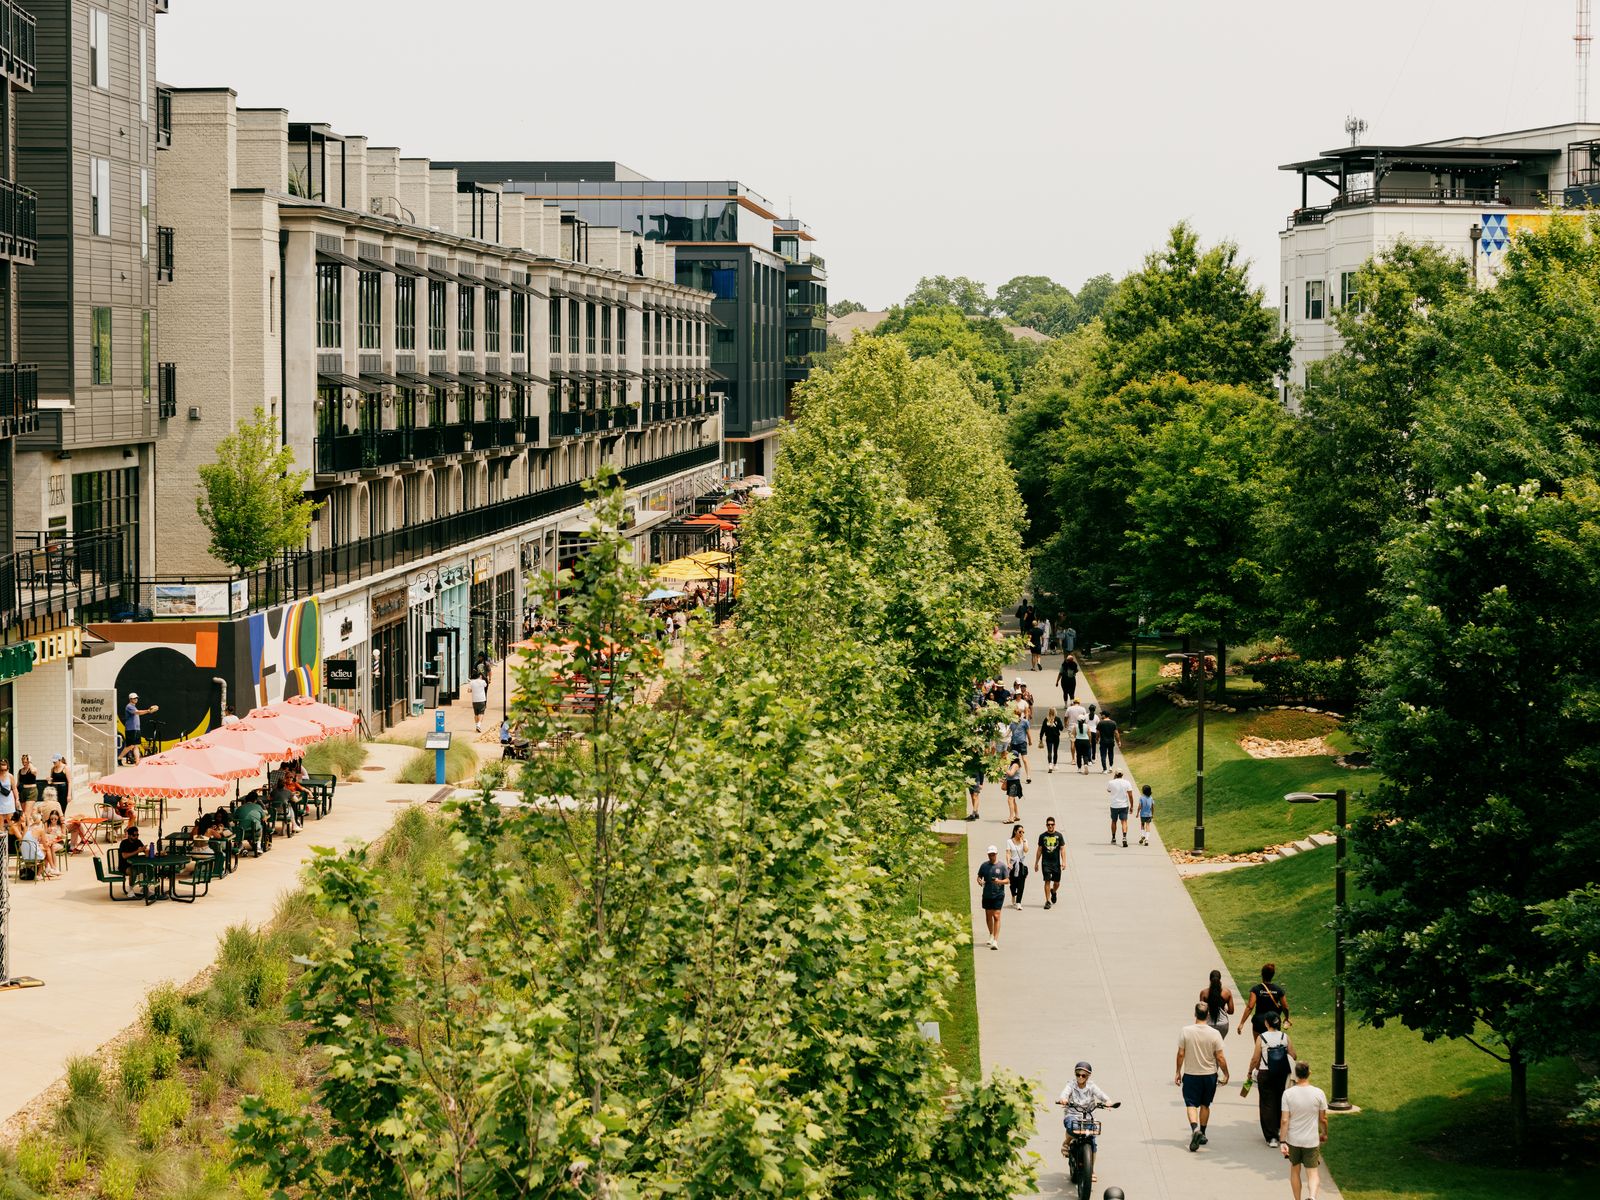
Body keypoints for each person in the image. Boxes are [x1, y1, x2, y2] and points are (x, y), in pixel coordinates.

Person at [1176, 1001, 1229, 1152]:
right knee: (1206, 1104)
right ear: (1208, 1015)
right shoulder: (1215, 1034)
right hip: (1209, 1075)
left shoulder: (1186, 1031)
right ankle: (1203, 1133)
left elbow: (1181, 1054)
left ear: (1195, 1014)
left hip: (1192, 1074)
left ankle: (1195, 1129)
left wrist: (1177, 1071)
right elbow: (1220, 1057)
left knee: (1191, 1104)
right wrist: (1226, 1073)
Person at [1246, 1011, 1296, 1147]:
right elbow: (1293, 1055)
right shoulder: (1285, 1037)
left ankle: (1271, 1137)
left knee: (1267, 1104)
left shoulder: (1261, 1038)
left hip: (1265, 1073)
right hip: (1281, 1074)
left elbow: (1255, 1058)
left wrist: (1250, 1072)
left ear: (1266, 1023)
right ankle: (1281, 1130)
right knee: (1281, 1100)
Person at [1280, 1060, 1329, 1199]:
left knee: (1295, 1170)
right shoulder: (1319, 1093)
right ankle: (1312, 1197)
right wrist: (1324, 1133)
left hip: (1293, 1140)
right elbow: (1323, 1119)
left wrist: (1283, 1141)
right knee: (1313, 1173)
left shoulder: (1288, 1094)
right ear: (1309, 1073)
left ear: (1295, 1074)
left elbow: (1284, 1120)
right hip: (1311, 1140)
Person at [1057, 1061, 1117, 1162]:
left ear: (1088, 1076)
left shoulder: (1091, 1086)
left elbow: (1100, 1094)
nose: (1080, 1077)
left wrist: (1107, 1101)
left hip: (1089, 1116)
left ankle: (1091, 1171)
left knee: (1092, 1142)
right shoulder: (1071, 1084)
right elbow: (1064, 1093)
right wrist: (1063, 1099)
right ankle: (1067, 1142)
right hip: (1073, 1114)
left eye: (1083, 1075)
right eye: (1078, 1074)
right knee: (1072, 1126)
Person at [1239, 963, 1291, 1038]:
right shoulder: (1279, 990)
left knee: (1259, 1046)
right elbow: (1285, 1007)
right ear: (1273, 975)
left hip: (1259, 1021)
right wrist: (1287, 1018)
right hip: (1274, 1021)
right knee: (1273, 1046)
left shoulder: (1256, 989)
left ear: (1262, 974)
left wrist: (1242, 1023)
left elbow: (1250, 1007)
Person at [977, 846, 1009, 950]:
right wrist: (980, 881)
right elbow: (979, 877)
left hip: (998, 894)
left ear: (996, 854)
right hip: (987, 894)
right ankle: (991, 934)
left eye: (993, 854)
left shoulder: (1002, 866)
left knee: (996, 915)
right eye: (990, 854)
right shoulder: (984, 866)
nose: (992, 856)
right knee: (988, 915)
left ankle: (995, 940)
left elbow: (1007, 880)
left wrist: (999, 882)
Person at [1034, 816, 1066, 909]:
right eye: (1048, 825)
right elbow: (1039, 850)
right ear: (1046, 825)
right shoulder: (1042, 836)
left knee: (1057, 883)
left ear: (1054, 825)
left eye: (1052, 824)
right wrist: (1036, 863)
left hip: (1056, 864)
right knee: (1047, 881)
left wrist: (1064, 861)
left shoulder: (1059, 836)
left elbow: (1062, 849)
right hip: (1046, 863)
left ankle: (1054, 891)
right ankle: (1047, 901)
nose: (1050, 826)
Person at [122, 692, 159, 761]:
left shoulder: (133, 707)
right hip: (131, 729)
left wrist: (148, 711)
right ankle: (119, 758)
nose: (136, 699)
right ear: (130, 699)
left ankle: (137, 761)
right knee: (130, 746)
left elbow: (138, 712)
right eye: (134, 698)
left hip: (136, 729)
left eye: (136, 698)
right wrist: (148, 711)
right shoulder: (129, 706)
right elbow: (137, 712)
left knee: (136, 746)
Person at [1200, 969, 1235, 1038]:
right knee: (1219, 1046)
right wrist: (1225, 1009)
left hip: (1208, 1025)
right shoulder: (1227, 992)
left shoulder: (1204, 993)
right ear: (1220, 979)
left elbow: (1202, 1012)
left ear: (1210, 979)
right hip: (1223, 1024)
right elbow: (1231, 1011)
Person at [1004, 823, 1030, 910]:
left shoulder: (1024, 841)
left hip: (1021, 865)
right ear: (1015, 831)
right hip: (1013, 864)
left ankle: (1019, 902)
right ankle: (1013, 895)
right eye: (1020, 831)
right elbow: (1008, 853)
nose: (1021, 833)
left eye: (1023, 832)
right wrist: (1008, 863)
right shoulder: (1009, 841)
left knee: (1021, 885)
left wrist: (1024, 841)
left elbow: (1026, 850)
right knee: (1013, 884)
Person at [1106, 770, 1135, 847]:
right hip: (1124, 805)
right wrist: (1132, 806)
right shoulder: (1127, 782)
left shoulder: (1111, 782)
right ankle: (1124, 837)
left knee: (1114, 821)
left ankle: (1113, 837)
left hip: (1114, 805)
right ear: (1122, 774)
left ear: (1115, 775)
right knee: (1124, 821)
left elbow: (1109, 790)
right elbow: (1130, 796)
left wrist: (1114, 779)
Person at [1007, 712, 1031, 782]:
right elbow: (1008, 732)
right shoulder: (1012, 723)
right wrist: (1002, 737)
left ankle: (1028, 776)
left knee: (1024, 759)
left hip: (1022, 743)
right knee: (1012, 760)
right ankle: (1011, 774)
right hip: (1014, 743)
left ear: (1019, 716)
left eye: (1015, 716)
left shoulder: (1025, 722)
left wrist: (1030, 741)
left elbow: (1028, 732)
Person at [1069, 703, 1093, 773]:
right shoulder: (1087, 726)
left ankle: (1079, 768)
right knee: (1085, 754)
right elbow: (1089, 735)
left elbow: (1073, 734)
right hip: (1086, 741)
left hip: (1078, 741)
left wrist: (1073, 741)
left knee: (1078, 754)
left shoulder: (1075, 726)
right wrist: (1090, 741)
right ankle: (1085, 764)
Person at [1040, 707, 1063, 772]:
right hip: (1056, 737)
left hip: (1049, 737)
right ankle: (1055, 765)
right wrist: (1057, 724)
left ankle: (1050, 764)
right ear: (1055, 712)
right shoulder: (1058, 719)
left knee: (1049, 751)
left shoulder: (1046, 719)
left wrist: (1041, 738)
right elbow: (1061, 728)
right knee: (1055, 751)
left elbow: (1043, 729)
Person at [1001, 754, 1024, 823]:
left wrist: (1004, 768)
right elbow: (1009, 775)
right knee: (1012, 800)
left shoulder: (1015, 765)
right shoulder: (1012, 764)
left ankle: (1011, 818)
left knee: (1010, 800)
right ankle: (1016, 816)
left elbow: (1011, 773)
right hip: (1011, 783)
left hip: (1014, 784)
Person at [16, 754, 38, 823]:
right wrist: (16, 796)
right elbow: (18, 783)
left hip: (31, 791)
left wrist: (30, 762)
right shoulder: (20, 771)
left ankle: (27, 832)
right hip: (22, 792)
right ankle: (31, 829)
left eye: (26, 762)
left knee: (26, 814)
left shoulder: (32, 769)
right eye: (23, 762)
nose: (24, 764)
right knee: (25, 815)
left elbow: (34, 772)